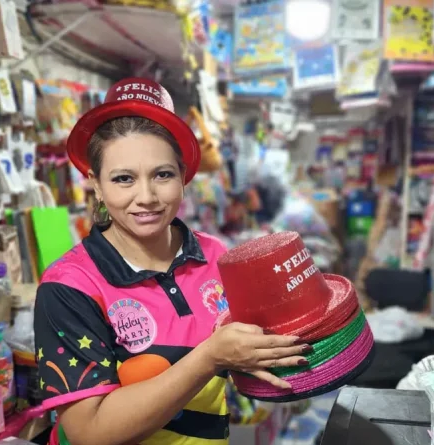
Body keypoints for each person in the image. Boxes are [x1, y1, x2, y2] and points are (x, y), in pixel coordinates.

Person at [33, 78, 311, 445]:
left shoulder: (218, 258)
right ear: (96, 184)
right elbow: (89, 432)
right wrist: (210, 358)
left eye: (162, 174)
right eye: (123, 179)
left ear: (183, 176)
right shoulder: (70, 286)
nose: (145, 197)